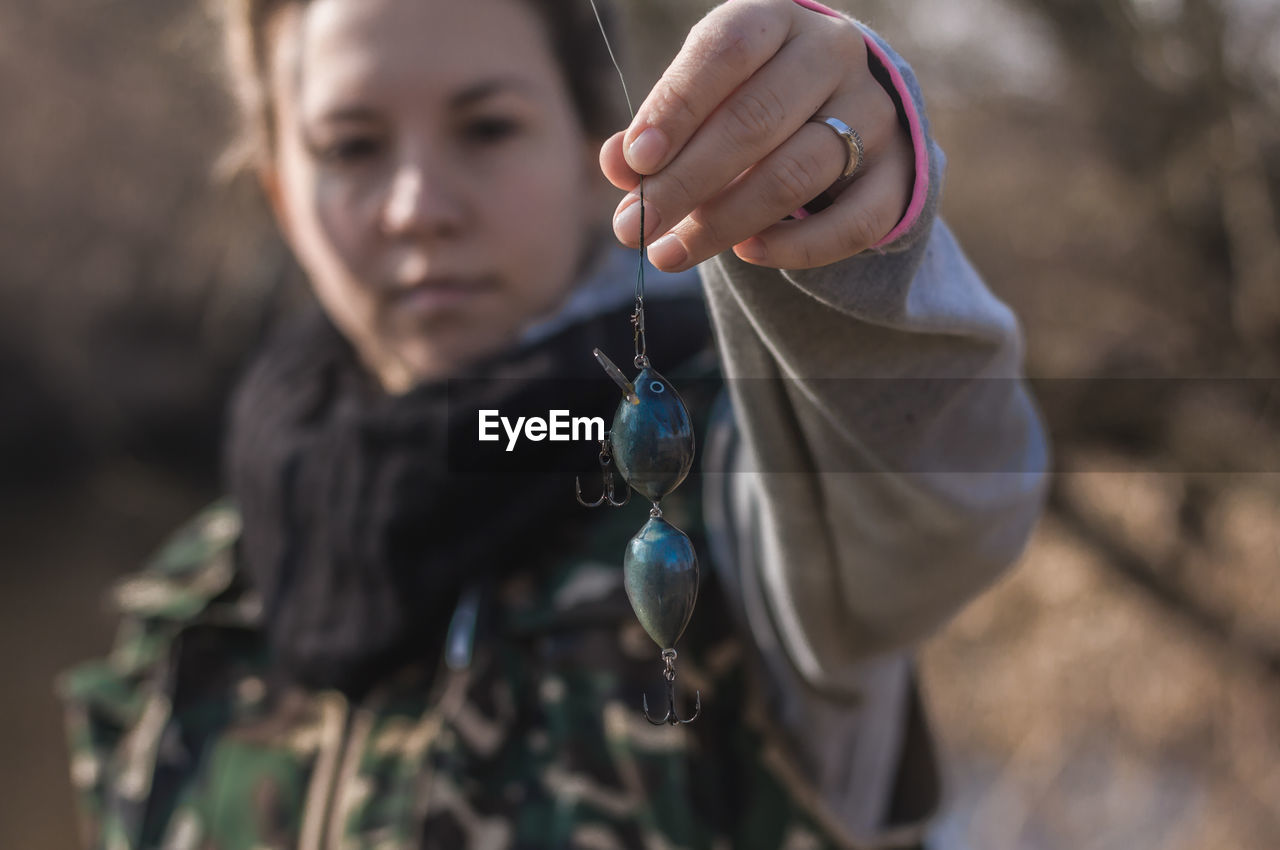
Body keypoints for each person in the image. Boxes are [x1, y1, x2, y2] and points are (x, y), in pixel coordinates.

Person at [59, 0, 1048, 848]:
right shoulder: (186, 606)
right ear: (279, 189)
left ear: (598, 159)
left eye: (485, 127)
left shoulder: (749, 483)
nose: (416, 208)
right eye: (350, 146)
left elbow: (946, 494)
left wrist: (845, 226)